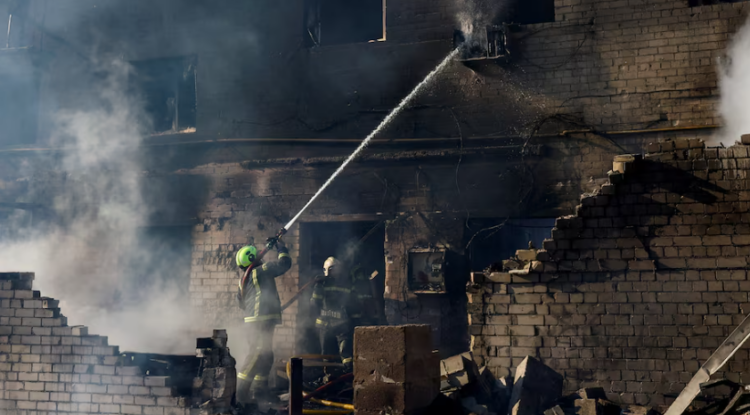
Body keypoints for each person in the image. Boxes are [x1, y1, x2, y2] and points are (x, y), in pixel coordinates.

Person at [235, 238, 291, 404]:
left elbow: (240, 302)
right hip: (260, 320)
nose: (263, 258)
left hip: (258, 320)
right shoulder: (262, 270)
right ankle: (239, 395)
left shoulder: (243, 280)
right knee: (257, 354)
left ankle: (260, 392)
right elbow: (284, 264)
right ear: (253, 258)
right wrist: (281, 248)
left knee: (266, 355)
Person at [311, 256, 359, 371]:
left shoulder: (323, 284)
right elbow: (315, 304)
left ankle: (345, 374)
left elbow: (353, 304)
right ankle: (331, 375)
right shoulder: (323, 284)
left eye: (333, 269)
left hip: (337, 326)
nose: (330, 273)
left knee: (344, 354)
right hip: (330, 325)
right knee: (330, 354)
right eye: (328, 270)